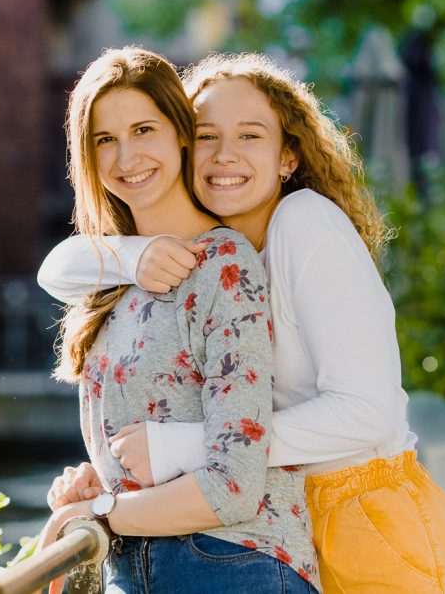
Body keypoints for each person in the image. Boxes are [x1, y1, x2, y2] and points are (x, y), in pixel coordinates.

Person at [39, 52, 445, 593]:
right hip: (296, 522)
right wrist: (132, 254)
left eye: (250, 136)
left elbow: (365, 411)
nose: (224, 155)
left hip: (368, 522)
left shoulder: (304, 223)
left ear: (288, 157)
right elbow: (57, 269)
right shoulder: (217, 253)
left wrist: (181, 449)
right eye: (207, 136)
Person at [38, 47, 320, 594]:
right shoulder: (114, 276)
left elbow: (234, 482)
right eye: (104, 139)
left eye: (144, 129)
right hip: (137, 564)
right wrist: (102, 478)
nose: (126, 157)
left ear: (181, 134)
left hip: (235, 562)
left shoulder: (223, 265)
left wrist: (100, 509)